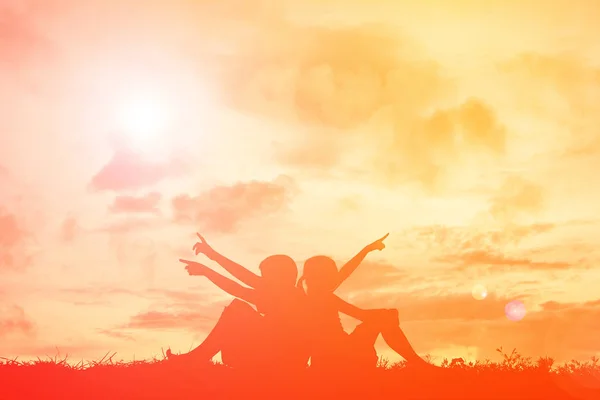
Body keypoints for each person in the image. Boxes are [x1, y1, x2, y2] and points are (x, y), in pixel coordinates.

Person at [167, 233, 389, 371]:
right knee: (238, 307)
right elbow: (341, 276)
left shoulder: (283, 295)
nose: (260, 279)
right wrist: (210, 259)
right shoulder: (299, 295)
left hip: (275, 361)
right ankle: (197, 358)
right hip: (282, 359)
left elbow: (240, 282)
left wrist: (209, 263)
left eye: (264, 274)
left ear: (279, 276)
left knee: (236, 308)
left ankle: (196, 359)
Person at [298, 255, 432, 372]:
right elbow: (361, 315)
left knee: (384, 317)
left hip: (327, 358)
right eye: (332, 272)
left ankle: (417, 363)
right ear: (323, 275)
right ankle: (418, 363)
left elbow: (345, 273)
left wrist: (366, 250)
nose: (336, 274)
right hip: (342, 354)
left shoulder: (308, 295)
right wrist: (387, 314)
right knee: (384, 318)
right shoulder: (324, 296)